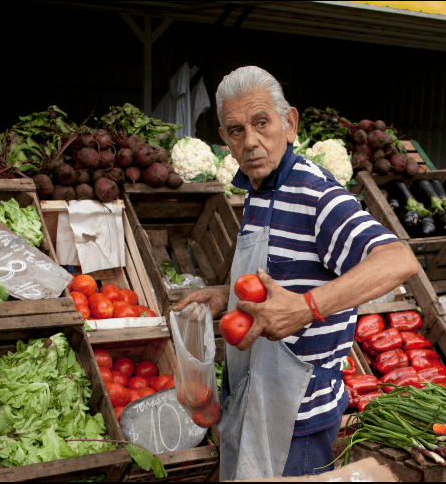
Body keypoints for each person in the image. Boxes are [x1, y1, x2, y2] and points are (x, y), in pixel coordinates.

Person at [172, 65, 420, 480]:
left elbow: (398, 260)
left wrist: (308, 307)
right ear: (224, 141)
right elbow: (280, 276)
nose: (250, 141)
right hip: (254, 400)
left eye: (261, 123)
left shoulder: (315, 194)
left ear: (289, 124)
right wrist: (224, 297)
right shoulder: (260, 190)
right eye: (236, 131)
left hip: (297, 417)